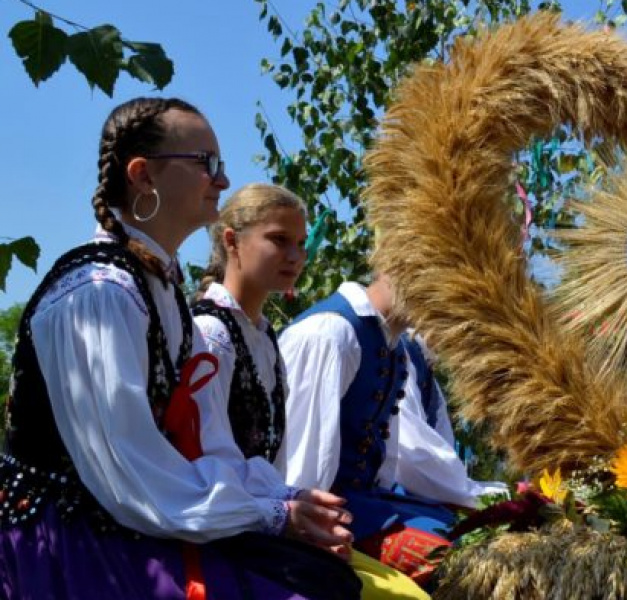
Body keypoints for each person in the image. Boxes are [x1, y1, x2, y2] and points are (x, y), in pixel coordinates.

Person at [0, 97, 358, 599]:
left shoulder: (158, 289)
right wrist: (272, 513)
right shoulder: (97, 292)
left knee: (325, 576)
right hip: (67, 543)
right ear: (143, 175)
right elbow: (133, 473)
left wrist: (284, 499)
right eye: (206, 164)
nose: (223, 181)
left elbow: (208, 447)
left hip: (137, 522)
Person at [191, 184, 430, 600]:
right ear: (232, 240)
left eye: (300, 244)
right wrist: (288, 516)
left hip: (265, 521)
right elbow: (205, 462)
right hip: (222, 531)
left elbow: (274, 463)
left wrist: (299, 509)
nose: (296, 256)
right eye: (279, 241)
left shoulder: (263, 338)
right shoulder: (212, 335)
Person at [278, 276, 507, 584]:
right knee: (461, 565)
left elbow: (386, 463)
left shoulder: (394, 347)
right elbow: (299, 474)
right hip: (326, 518)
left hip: (370, 506)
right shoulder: (331, 334)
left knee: (488, 540)